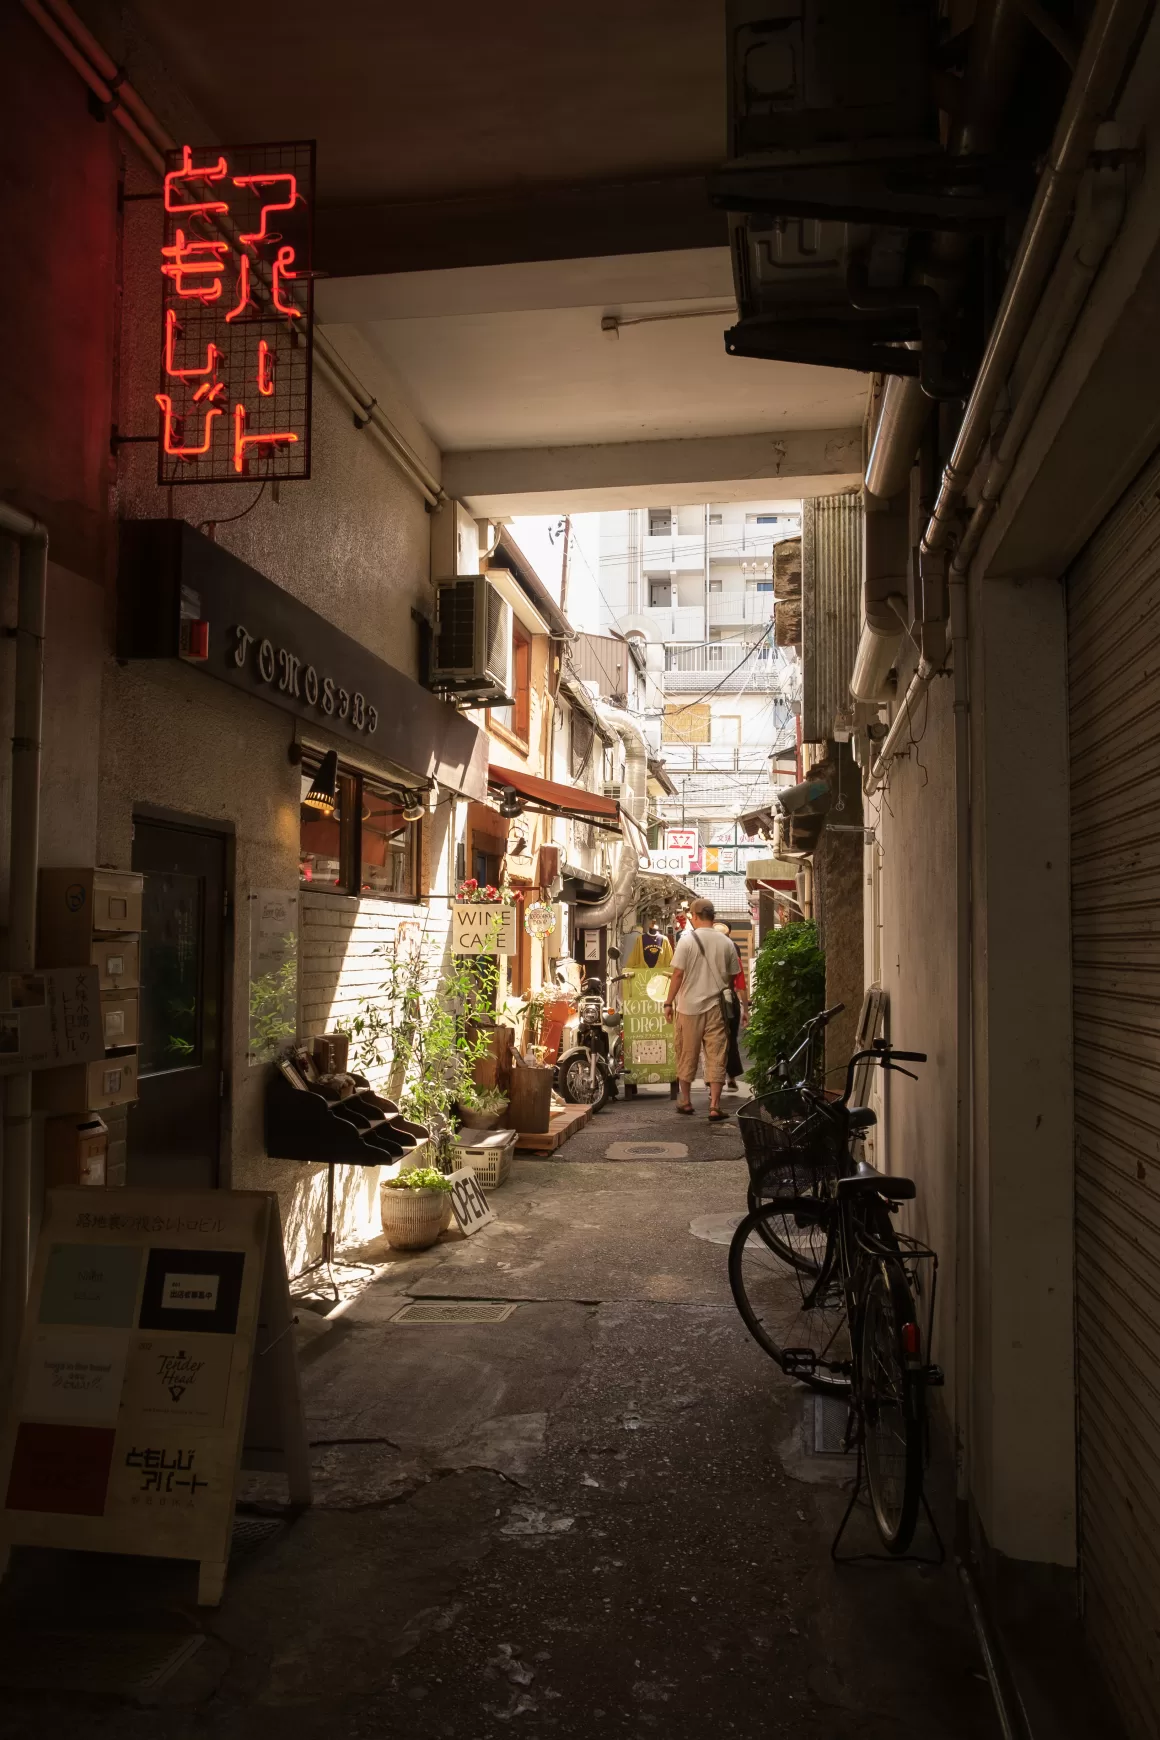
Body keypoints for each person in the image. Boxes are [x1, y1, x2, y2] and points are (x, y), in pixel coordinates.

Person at [664, 897, 748, 1121]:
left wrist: (668, 1002)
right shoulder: (726, 943)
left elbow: (678, 974)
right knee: (716, 1054)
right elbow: (732, 976)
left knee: (686, 1053)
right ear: (713, 916)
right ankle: (714, 1105)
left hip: (688, 1007)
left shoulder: (686, 941)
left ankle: (686, 1101)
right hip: (717, 1008)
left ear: (694, 916)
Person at [713, 920, 747, 1091]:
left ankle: (713, 1082)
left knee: (712, 1042)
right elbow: (741, 986)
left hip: (709, 1001)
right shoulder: (734, 955)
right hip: (730, 1000)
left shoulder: (706, 957)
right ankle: (731, 1077)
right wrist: (745, 1009)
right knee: (731, 1040)